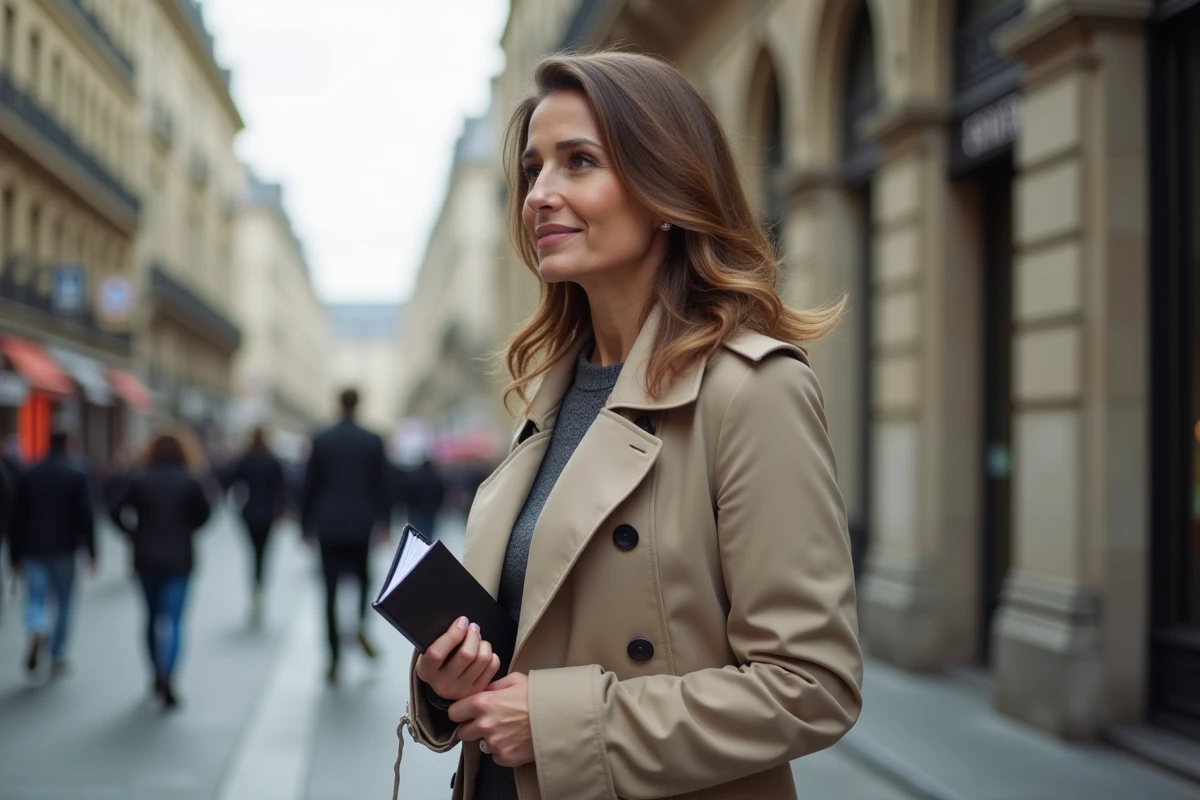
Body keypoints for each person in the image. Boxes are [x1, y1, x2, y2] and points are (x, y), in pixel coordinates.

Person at [404, 52, 862, 800]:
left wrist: (558, 724)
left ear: (665, 190)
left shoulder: (751, 389)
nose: (539, 195)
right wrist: (448, 676)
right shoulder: (551, 393)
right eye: (533, 170)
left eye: (579, 162)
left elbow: (812, 685)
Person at [109, 429, 212, 709]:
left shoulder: (139, 479)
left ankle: (155, 672)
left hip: (146, 557)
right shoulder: (190, 480)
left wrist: (132, 534)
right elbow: (205, 515)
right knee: (174, 620)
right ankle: (169, 673)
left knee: (152, 617)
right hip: (179, 558)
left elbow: (115, 510)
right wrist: (186, 530)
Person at [302, 388, 389, 683]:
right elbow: (382, 486)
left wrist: (305, 526)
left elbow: (310, 485)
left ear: (339, 404)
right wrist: (385, 523)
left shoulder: (322, 439)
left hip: (328, 525)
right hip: (361, 524)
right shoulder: (372, 440)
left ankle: (334, 658)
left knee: (329, 591)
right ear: (358, 404)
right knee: (364, 580)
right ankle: (361, 625)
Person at [8, 431, 95, 677]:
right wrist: (92, 551)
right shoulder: (76, 475)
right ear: (68, 445)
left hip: (33, 548)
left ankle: (38, 626)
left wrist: (13, 554)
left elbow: (17, 517)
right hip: (64, 549)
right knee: (64, 602)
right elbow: (86, 516)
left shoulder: (29, 473)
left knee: (35, 598)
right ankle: (57, 653)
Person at [226, 427, 286, 623]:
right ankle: (259, 590)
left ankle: (255, 590)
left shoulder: (245, 460)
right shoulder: (272, 461)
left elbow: (231, 483)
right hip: (268, 514)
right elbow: (281, 489)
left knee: (253, 553)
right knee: (263, 554)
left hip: (249, 513)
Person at [402, 457, 445, 540]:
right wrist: (438, 506)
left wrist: (410, 506)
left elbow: (408, 492)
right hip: (430, 510)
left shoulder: (415, 477)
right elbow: (440, 492)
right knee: (428, 533)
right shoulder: (434, 477)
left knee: (415, 532)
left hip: (415, 510)